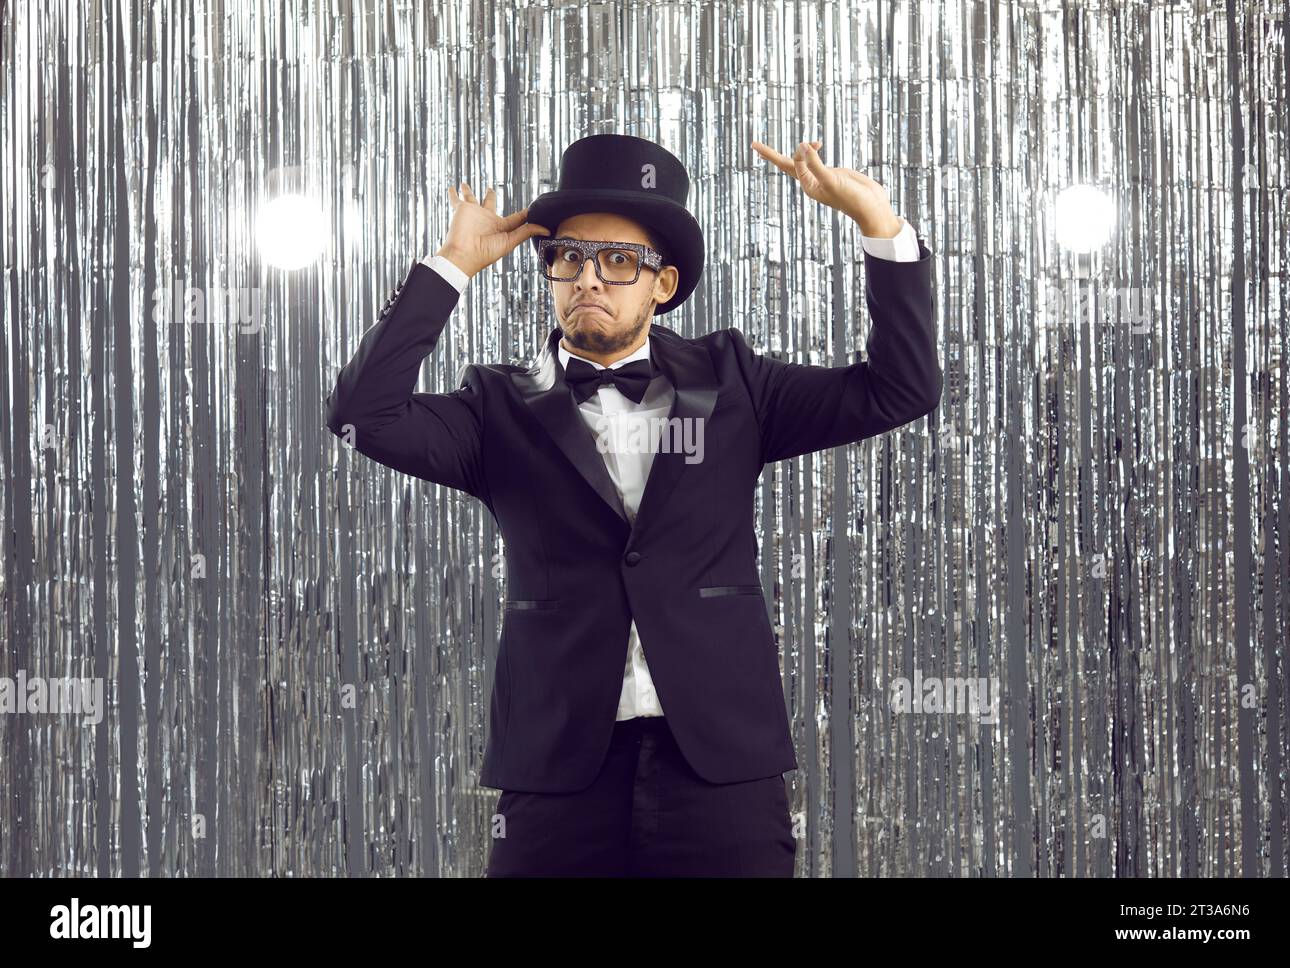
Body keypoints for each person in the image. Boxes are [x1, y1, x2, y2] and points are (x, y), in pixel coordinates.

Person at [325, 133, 940, 876]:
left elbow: (899, 389)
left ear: (663, 283)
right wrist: (451, 266)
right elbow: (363, 411)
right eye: (568, 257)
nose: (589, 277)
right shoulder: (495, 407)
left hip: (721, 770)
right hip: (555, 774)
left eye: (619, 261)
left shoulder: (736, 383)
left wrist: (880, 224)